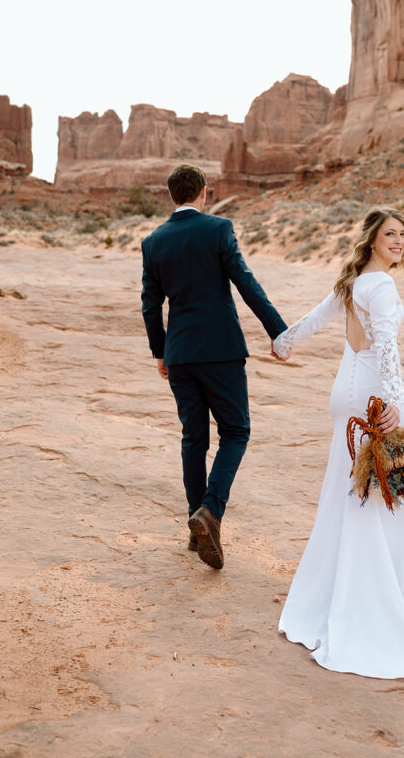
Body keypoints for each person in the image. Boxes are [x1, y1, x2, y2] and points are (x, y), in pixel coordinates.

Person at [272, 207, 404, 680]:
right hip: (371, 398)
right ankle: (387, 586)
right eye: (390, 234)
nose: (399, 241)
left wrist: (284, 341)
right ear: (371, 239)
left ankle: (342, 588)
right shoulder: (380, 286)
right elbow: (386, 346)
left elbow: (315, 318)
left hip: (344, 396)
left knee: (349, 492)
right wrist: (396, 406)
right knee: (400, 490)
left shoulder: (353, 282)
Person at [141, 164, 287, 571]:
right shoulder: (219, 228)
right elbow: (245, 281)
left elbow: (150, 305)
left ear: (172, 195)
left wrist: (161, 353)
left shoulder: (153, 242)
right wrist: (278, 331)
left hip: (181, 353)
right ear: (204, 192)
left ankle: (195, 526)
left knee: (194, 438)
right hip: (221, 349)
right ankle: (211, 511)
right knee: (236, 431)